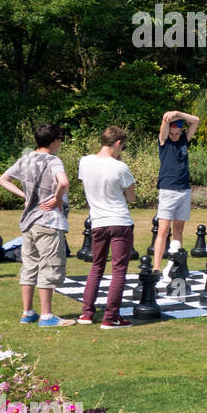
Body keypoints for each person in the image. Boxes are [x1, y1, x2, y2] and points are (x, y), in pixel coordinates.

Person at [0, 123, 71, 326]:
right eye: (60, 139)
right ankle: (47, 316)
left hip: (29, 221)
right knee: (49, 266)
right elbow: (63, 182)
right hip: (48, 221)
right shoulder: (53, 160)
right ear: (54, 141)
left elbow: (3, 179)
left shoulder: (26, 158)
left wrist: (26, 196)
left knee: (29, 266)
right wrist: (57, 198)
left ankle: (27, 312)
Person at [75, 127, 136, 329]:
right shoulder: (120, 167)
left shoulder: (84, 162)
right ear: (117, 143)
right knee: (118, 270)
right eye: (122, 146)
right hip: (119, 221)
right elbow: (131, 197)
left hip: (98, 221)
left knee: (96, 267)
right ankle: (111, 317)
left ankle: (87, 313)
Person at [155, 109, 201, 264]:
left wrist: (178, 113)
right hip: (167, 189)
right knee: (162, 230)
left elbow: (196, 121)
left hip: (184, 190)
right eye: (172, 133)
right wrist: (168, 117)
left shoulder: (184, 140)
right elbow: (164, 122)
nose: (174, 136)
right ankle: (156, 267)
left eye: (177, 133)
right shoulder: (164, 142)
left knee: (178, 230)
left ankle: (176, 264)